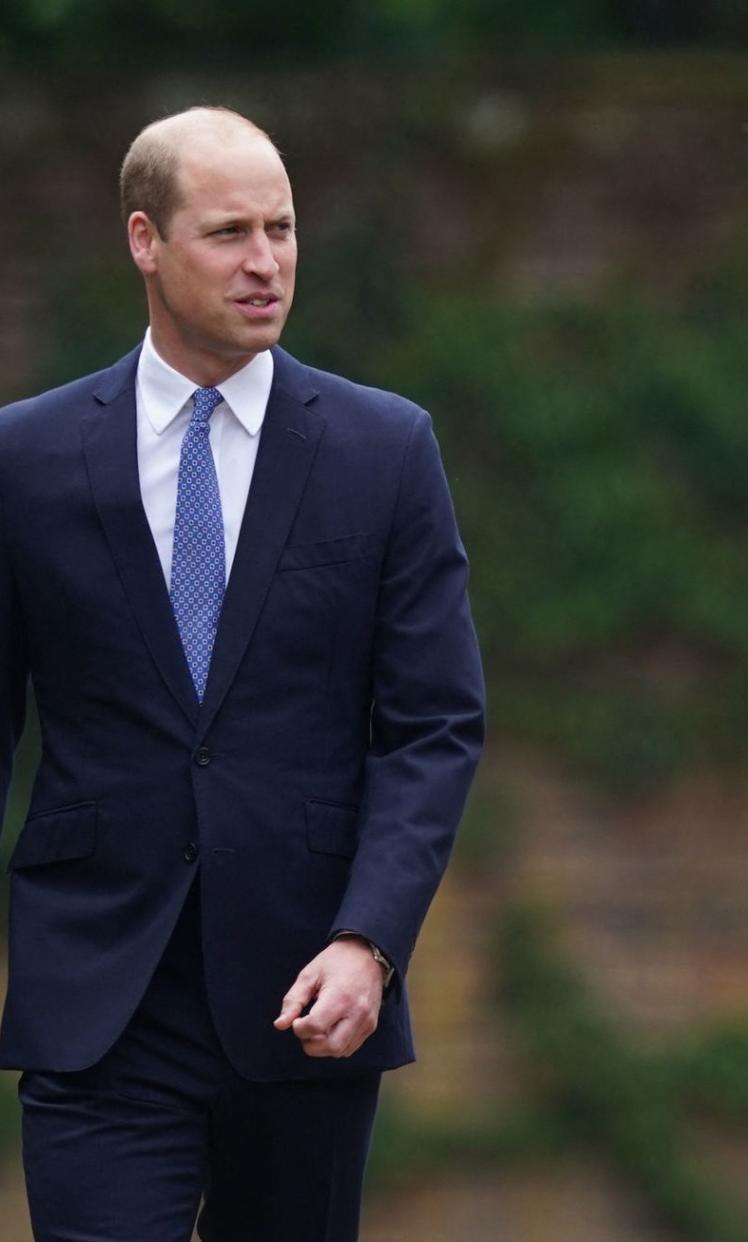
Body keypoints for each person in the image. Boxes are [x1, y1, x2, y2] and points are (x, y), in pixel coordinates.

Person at [0, 106, 484, 1240]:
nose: (266, 263)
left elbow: (434, 727)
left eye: (283, 229)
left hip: (306, 998)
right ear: (143, 241)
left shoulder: (384, 449)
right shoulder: (24, 459)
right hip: (98, 995)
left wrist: (371, 941)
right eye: (228, 233)